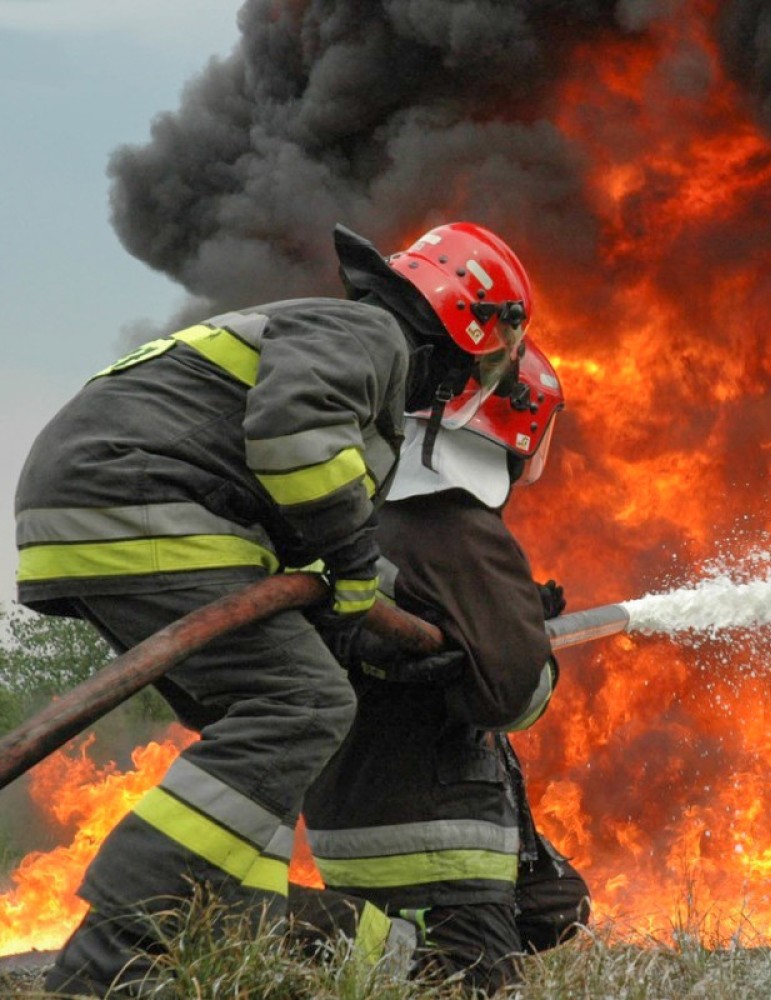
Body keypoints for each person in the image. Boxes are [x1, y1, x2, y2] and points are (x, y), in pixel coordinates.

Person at [15, 220, 538, 997]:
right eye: (493, 355)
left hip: (102, 508)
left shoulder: (340, 341)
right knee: (302, 702)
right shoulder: (371, 335)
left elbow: (302, 537)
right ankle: (111, 954)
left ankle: (210, 928)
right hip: (142, 497)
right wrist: (360, 570)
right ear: (468, 322)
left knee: (258, 736)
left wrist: (386, 619)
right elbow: (295, 441)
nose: (476, 378)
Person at [290, 337, 590, 994]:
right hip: (434, 831)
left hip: (350, 814)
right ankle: (282, 930)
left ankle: (382, 947)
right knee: (467, 983)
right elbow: (516, 697)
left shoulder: (359, 512)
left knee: (557, 905)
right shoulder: (456, 524)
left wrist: (498, 621)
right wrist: (525, 644)